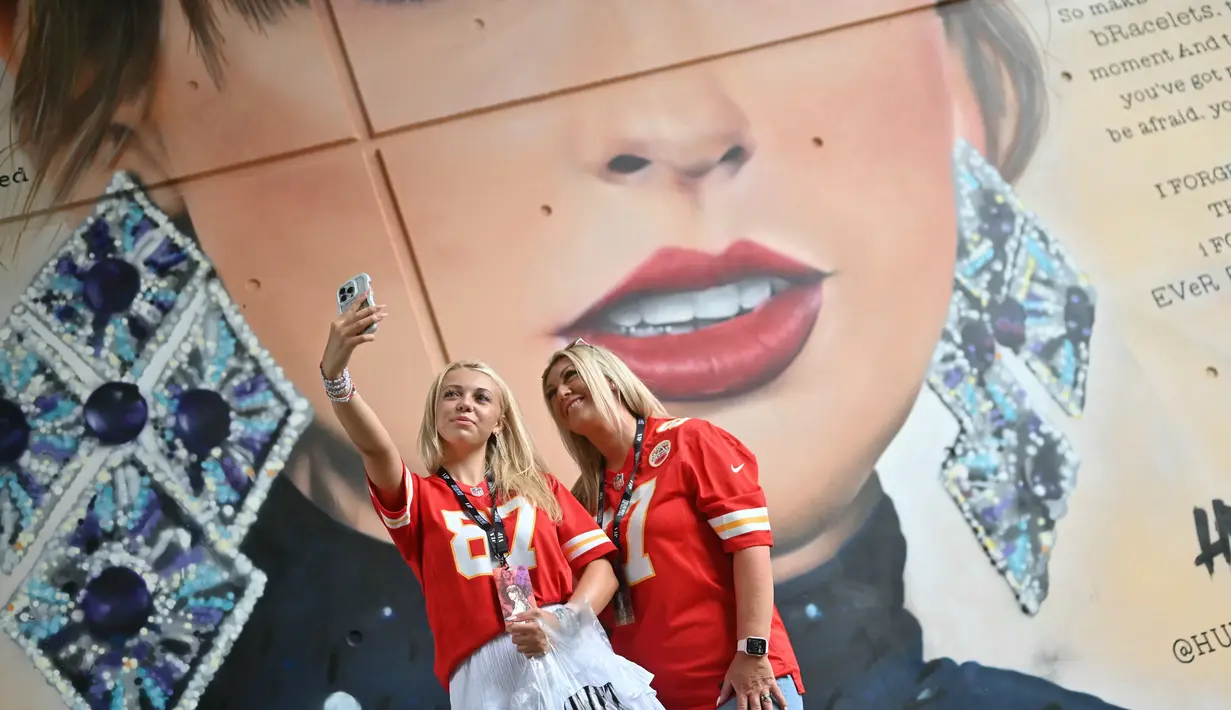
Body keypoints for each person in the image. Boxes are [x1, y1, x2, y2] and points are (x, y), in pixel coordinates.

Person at [321, 297, 663, 709]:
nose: (465, 403)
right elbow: (376, 451)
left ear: (499, 422)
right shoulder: (418, 498)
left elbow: (601, 569)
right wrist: (336, 376)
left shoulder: (539, 489)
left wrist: (562, 622)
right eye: (452, 394)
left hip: (572, 649)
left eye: (481, 397)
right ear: (435, 413)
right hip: (487, 678)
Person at [541, 339, 804, 710]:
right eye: (552, 392)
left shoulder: (689, 440)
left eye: (571, 376)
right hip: (653, 698)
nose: (562, 392)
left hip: (736, 681)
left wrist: (753, 652)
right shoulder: (582, 497)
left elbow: (751, 545)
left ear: (610, 381)